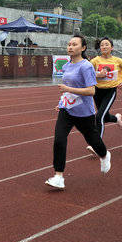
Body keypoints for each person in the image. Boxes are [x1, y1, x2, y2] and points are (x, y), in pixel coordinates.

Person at [45, 35, 111, 190]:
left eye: (74, 44)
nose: (70, 47)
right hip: (67, 110)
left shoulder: (86, 66)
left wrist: (68, 89)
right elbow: (66, 91)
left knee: (93, 141)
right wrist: (61, 103)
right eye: (69, 44)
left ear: (83, 48)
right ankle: (59, 176)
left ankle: (104, 155)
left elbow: (91, 91)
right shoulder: (67, 66)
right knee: (59, 139)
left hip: (84, 113)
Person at [88, 37, 122, 142]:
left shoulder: (117, 60)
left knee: (99, 117)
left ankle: (97, 145)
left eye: (106, 44)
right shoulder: (95, 61)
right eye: (102, 45)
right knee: (104, 117)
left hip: (110, 91)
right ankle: (116, 119)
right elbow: (87, 73)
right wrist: (98, 74)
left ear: (112, 47)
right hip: (97, 91)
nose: (104, 46)